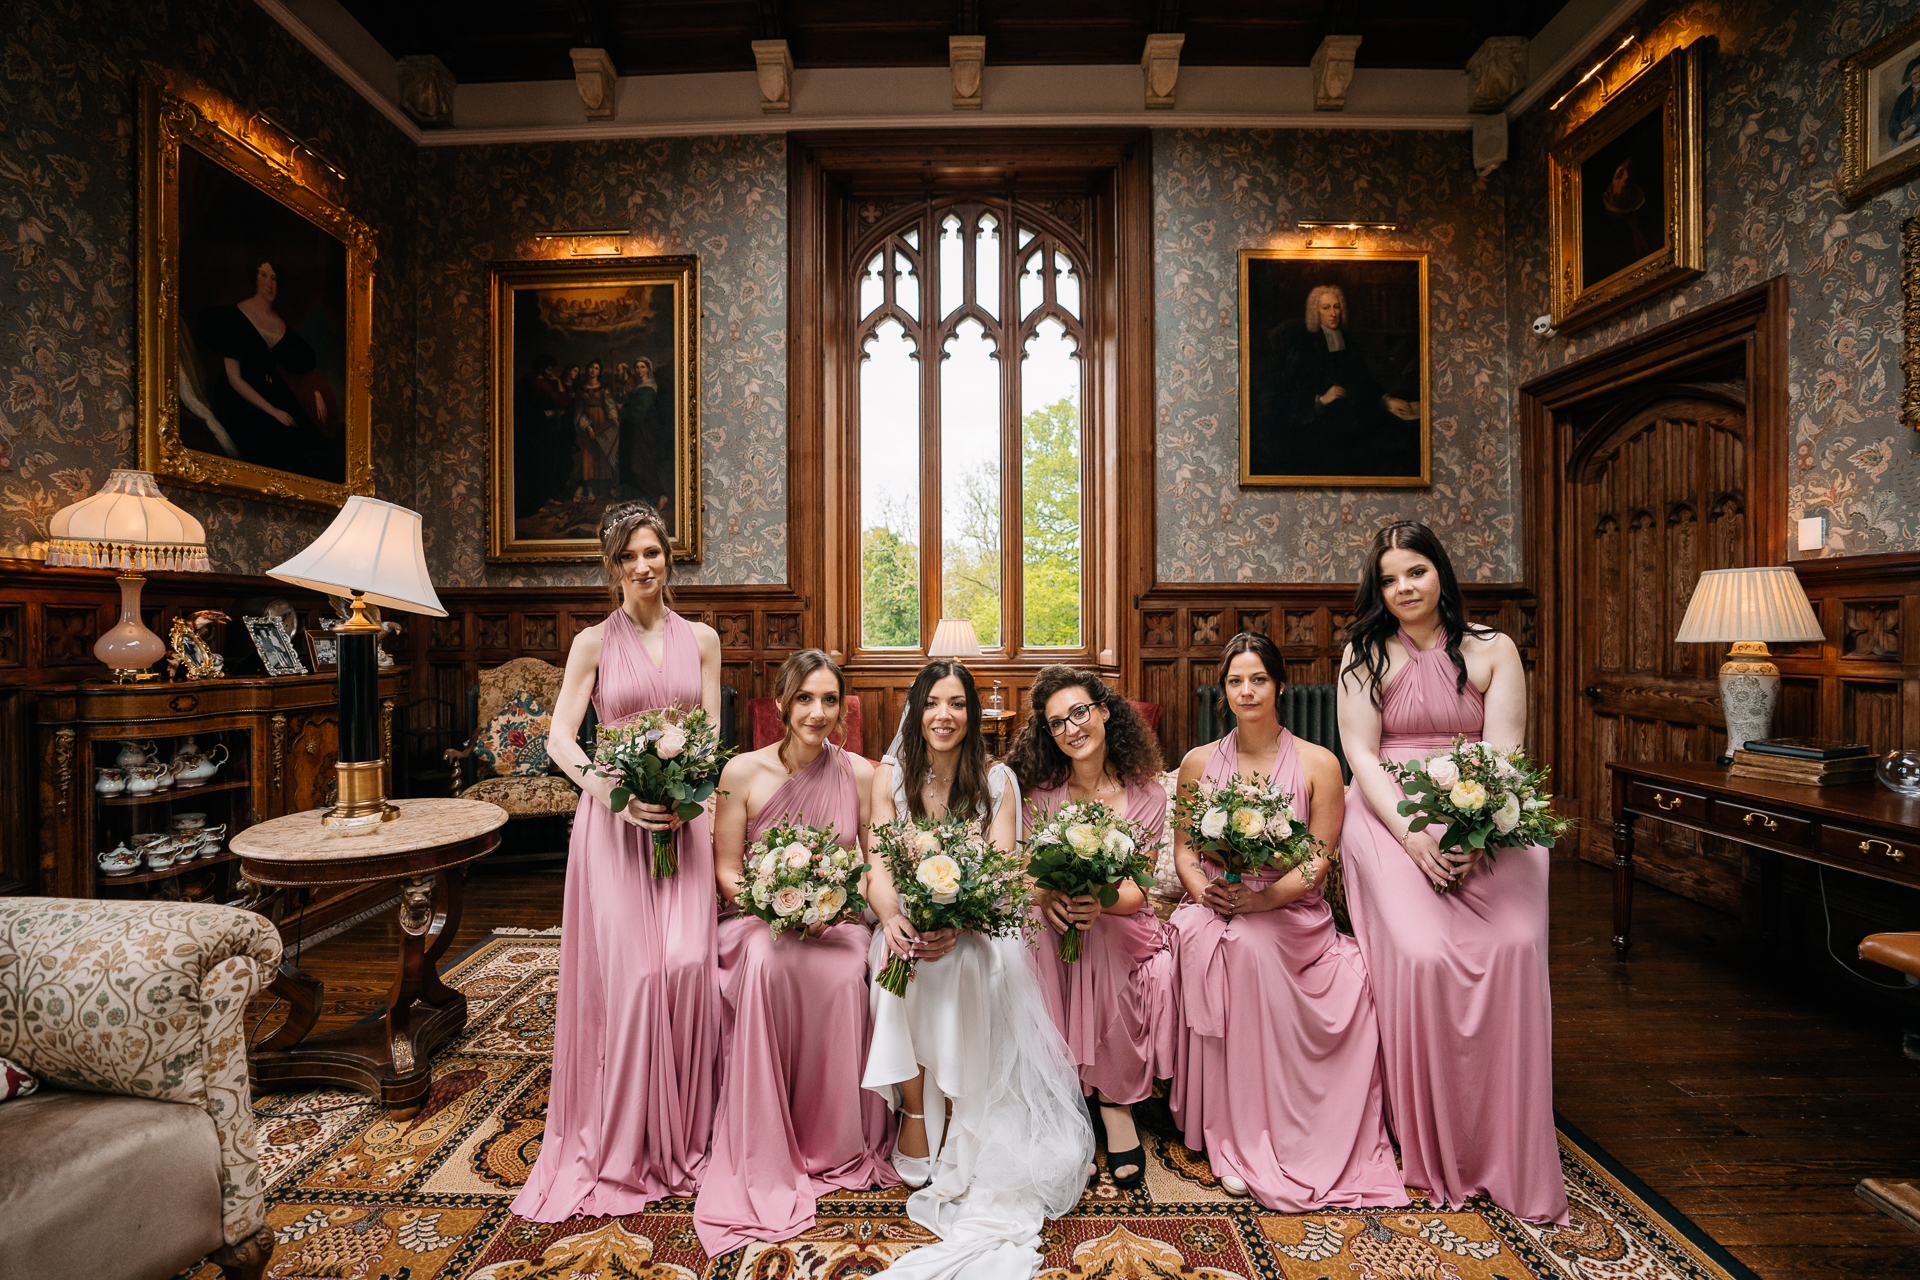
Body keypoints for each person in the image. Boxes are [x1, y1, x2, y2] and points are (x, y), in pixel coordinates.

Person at [1335, 521, 1568, 1225]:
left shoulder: (1494, 650)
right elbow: (1363, 758)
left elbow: (1504, 754)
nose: (1404, 588)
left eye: (1416, 572)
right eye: (1389, 578)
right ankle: (1431, 1138)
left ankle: (1508, 1139)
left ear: (1441, 573)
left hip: (1484, 813)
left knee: (1514, 946)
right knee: (1423, 953)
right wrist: (1414, 835)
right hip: (1390, 817)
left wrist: (1472, 825)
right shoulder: (1363, 654)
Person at [511, 502, 724, 1221]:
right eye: (629, 557)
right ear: (613, 568)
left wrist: (700, 806)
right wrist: (612, 794)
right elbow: (561, 739)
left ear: (669, 559)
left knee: (691, 966)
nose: (643, 566)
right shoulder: (590, 645)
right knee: (636, 977)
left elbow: (712, 741)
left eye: (653, 553)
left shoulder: (704, 639)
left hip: (684, 824)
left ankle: (689, 1130)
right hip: (615, 827)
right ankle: (627, 1134)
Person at [863, 659, 1092, 1280]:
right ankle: (914, 1110)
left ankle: (967, 1116)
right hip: (907, 920)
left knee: (969, 963)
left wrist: (958, 922)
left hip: (975, 926)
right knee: (898, 961)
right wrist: (892, 920)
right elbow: (879, 867)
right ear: (916, 710)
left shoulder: (997, 782)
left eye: (957, 704)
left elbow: (1000, 872)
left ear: (972, 715)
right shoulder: (890, 778)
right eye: (933, 703)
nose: (945, 715)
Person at [1165, 632, 1403, 1211]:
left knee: (1248, 943)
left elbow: (1318, 861)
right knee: (1210, 937)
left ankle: (1275, 1132)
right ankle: (1235, 1129)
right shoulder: (1199, 764)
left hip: (1290, 909)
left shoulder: (1319, 763)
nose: (1247, 690)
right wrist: (1207, 893)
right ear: (1224, 691)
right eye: (1236, 681)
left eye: (1258, 679)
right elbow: (1184, 852)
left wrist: (1262, 901)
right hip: (1221, 901)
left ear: (1279, 686)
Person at [693, 650, 898, 1255]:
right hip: (758, 922)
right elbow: (727, 871)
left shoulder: (861, 773)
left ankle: (833, 1141)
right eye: (805, 698)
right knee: (767, 962)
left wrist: (833, 906)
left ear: (842, 707)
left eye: (829, 699)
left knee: (844, 974)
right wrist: (776, 909)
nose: (817, 711)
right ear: (781, 703)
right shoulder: (741, 772)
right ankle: (764, 1138)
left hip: (835, 924)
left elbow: (870, 868)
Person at [1006, 665, 1169, 1190]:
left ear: (1103, 711)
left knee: (1099, 937)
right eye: (1057, 723)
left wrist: (1095, 903)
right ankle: (1061, 1096)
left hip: (1119, 917)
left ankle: (1114, 1099)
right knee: (1038, 926)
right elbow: (1021, 870)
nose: (1072, 728)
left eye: (1079, 712)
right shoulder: (1039, 791)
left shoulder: (1147, 794)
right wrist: (1050, 895)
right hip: (1058, 914)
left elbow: (1137, 888)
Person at [197, 259, 339, 480]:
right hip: (239, 399)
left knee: (317, 448)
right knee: (279, 448)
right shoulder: (234, 316)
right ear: (255, 278)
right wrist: (273, 411)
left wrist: (316, 391)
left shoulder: (279, 323)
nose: (270, 283)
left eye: (274, 278)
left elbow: (299, 365)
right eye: (264, 275)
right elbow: (235, 379)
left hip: (272, 391)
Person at [1261, 284, 1420, 480]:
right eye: (1326, 308)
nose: (1333, 313)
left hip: (1352, 414)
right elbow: (1286, 394)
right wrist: (1320, 399)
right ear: (1315, 312)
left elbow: (1363, 379)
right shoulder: (1303, 346)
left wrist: (1386, 399)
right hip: (1319, 423)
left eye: (1336, 307)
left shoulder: (1348, 342)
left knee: (1402, 436)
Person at [1890, 55, 1920, 148]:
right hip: (1904, 135)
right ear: (1910, 78)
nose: (1919, 75)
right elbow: (1893, 120)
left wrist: (1915, 125)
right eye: (1915, 73)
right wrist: (1899, 134)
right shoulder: (1903, 96)